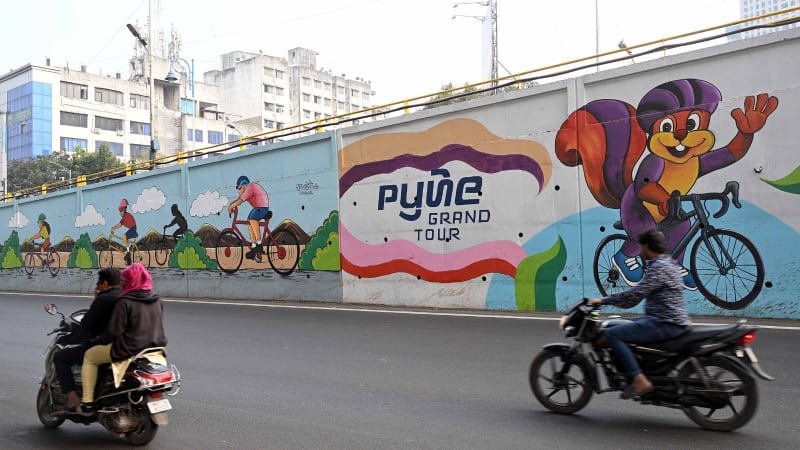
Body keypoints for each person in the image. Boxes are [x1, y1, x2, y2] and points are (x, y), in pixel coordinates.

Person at [588, 228, 691, 397]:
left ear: (647, 246)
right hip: (668, 320)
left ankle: (639, 379)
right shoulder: (670, 263)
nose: (640, 251)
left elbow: (634, 296)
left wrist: (604, 300)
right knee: (627, 324)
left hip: (664, 323)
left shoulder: (658, 267)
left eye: (642, 246)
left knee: (613, 335)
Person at [78, 263, 167, 414]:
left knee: (90, 356)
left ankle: (87, 402)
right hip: (153, 348)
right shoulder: (157, 299)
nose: (122, 284)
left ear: (129, 282)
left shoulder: (124, 301)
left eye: (124, 281)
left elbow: (113, 333)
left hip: (128, 349)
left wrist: (96, 341)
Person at [54, 269, 122, 413]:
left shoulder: (104, 299)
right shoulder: (129, 297)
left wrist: (96, 300)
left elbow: (86, 324)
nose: (97, 287)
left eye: (99, 284)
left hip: (107, 345)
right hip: (132, 344)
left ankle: (76, 399)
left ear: (104, 283)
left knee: (61, 357)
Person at [227, 175, 270, 259]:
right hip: (259, 207)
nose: (239, 191)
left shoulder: (250, 188)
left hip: (262, 208)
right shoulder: (249, 189)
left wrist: (231, 206)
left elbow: (240, 201)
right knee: (250, 222)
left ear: (244, 185)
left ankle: (259, 244)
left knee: (252, 218)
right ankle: (254, 247)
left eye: (239, 188)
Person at [110, 199, 137, 265]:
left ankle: (128, 253)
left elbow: (119, 225)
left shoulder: (126, 216)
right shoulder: (125, 216)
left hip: (133, 229)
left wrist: (113, 228)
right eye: (120, 211)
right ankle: (129, 259)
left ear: (124, 210)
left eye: (121, 211)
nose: (120, 213)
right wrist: (113, 228)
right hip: (131, 229)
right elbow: (120, 224)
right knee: (125, 238)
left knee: (124, 236)